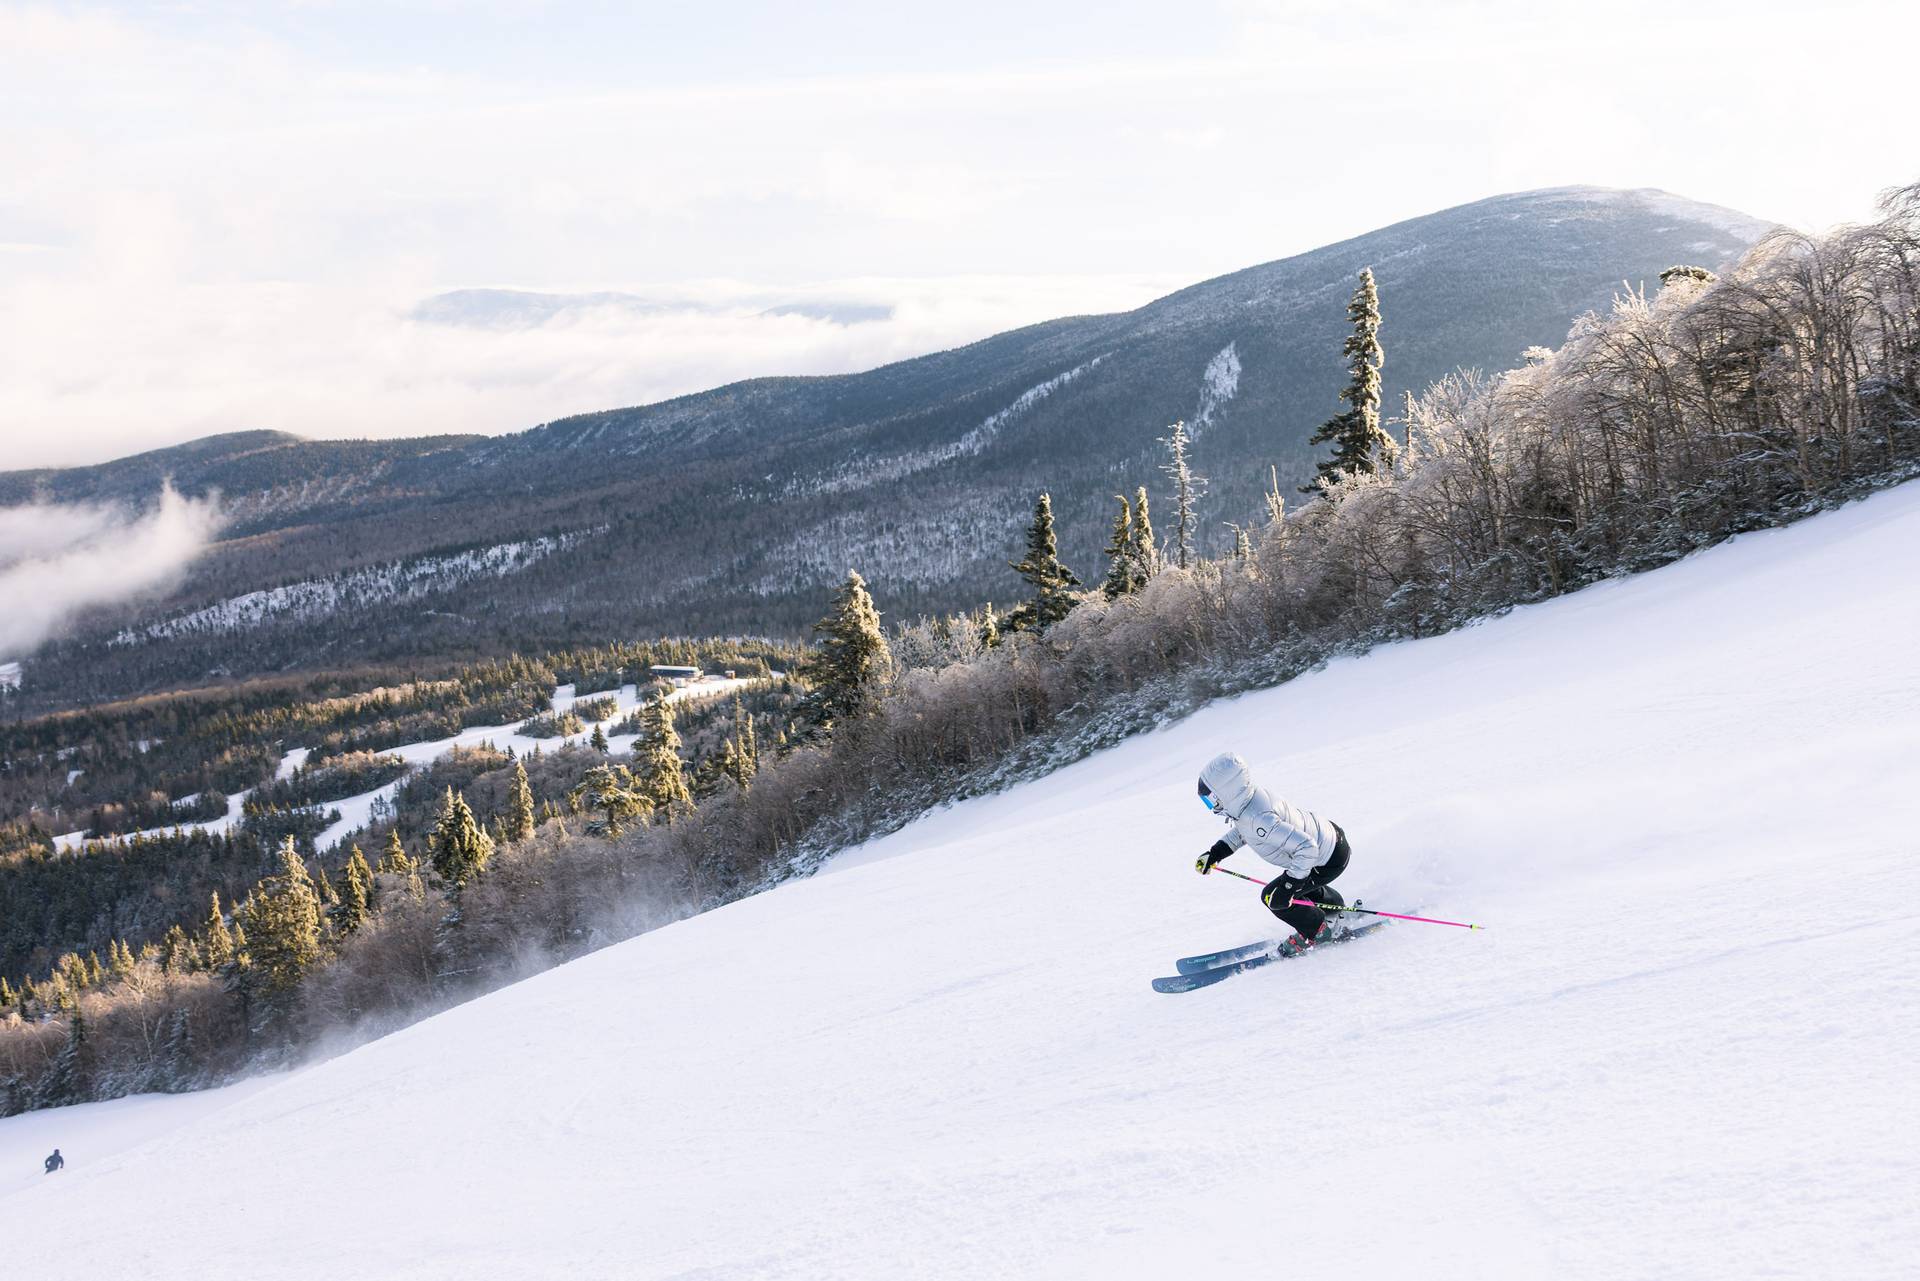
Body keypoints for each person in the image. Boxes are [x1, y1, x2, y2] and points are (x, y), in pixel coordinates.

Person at [1193, 751, 1352, 945]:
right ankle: (1334, 910)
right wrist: (1215, 853)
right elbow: (1245, 830)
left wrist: (1288, 887)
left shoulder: (1258, 818)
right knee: (1295, 883)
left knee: (1274, 897)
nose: (1211, 806)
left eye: (1211, 799)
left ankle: (1318, 931)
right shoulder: (1249, 803)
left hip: (1327, 859)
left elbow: (1307, 848)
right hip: (1330, 841)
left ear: (1228, 793)